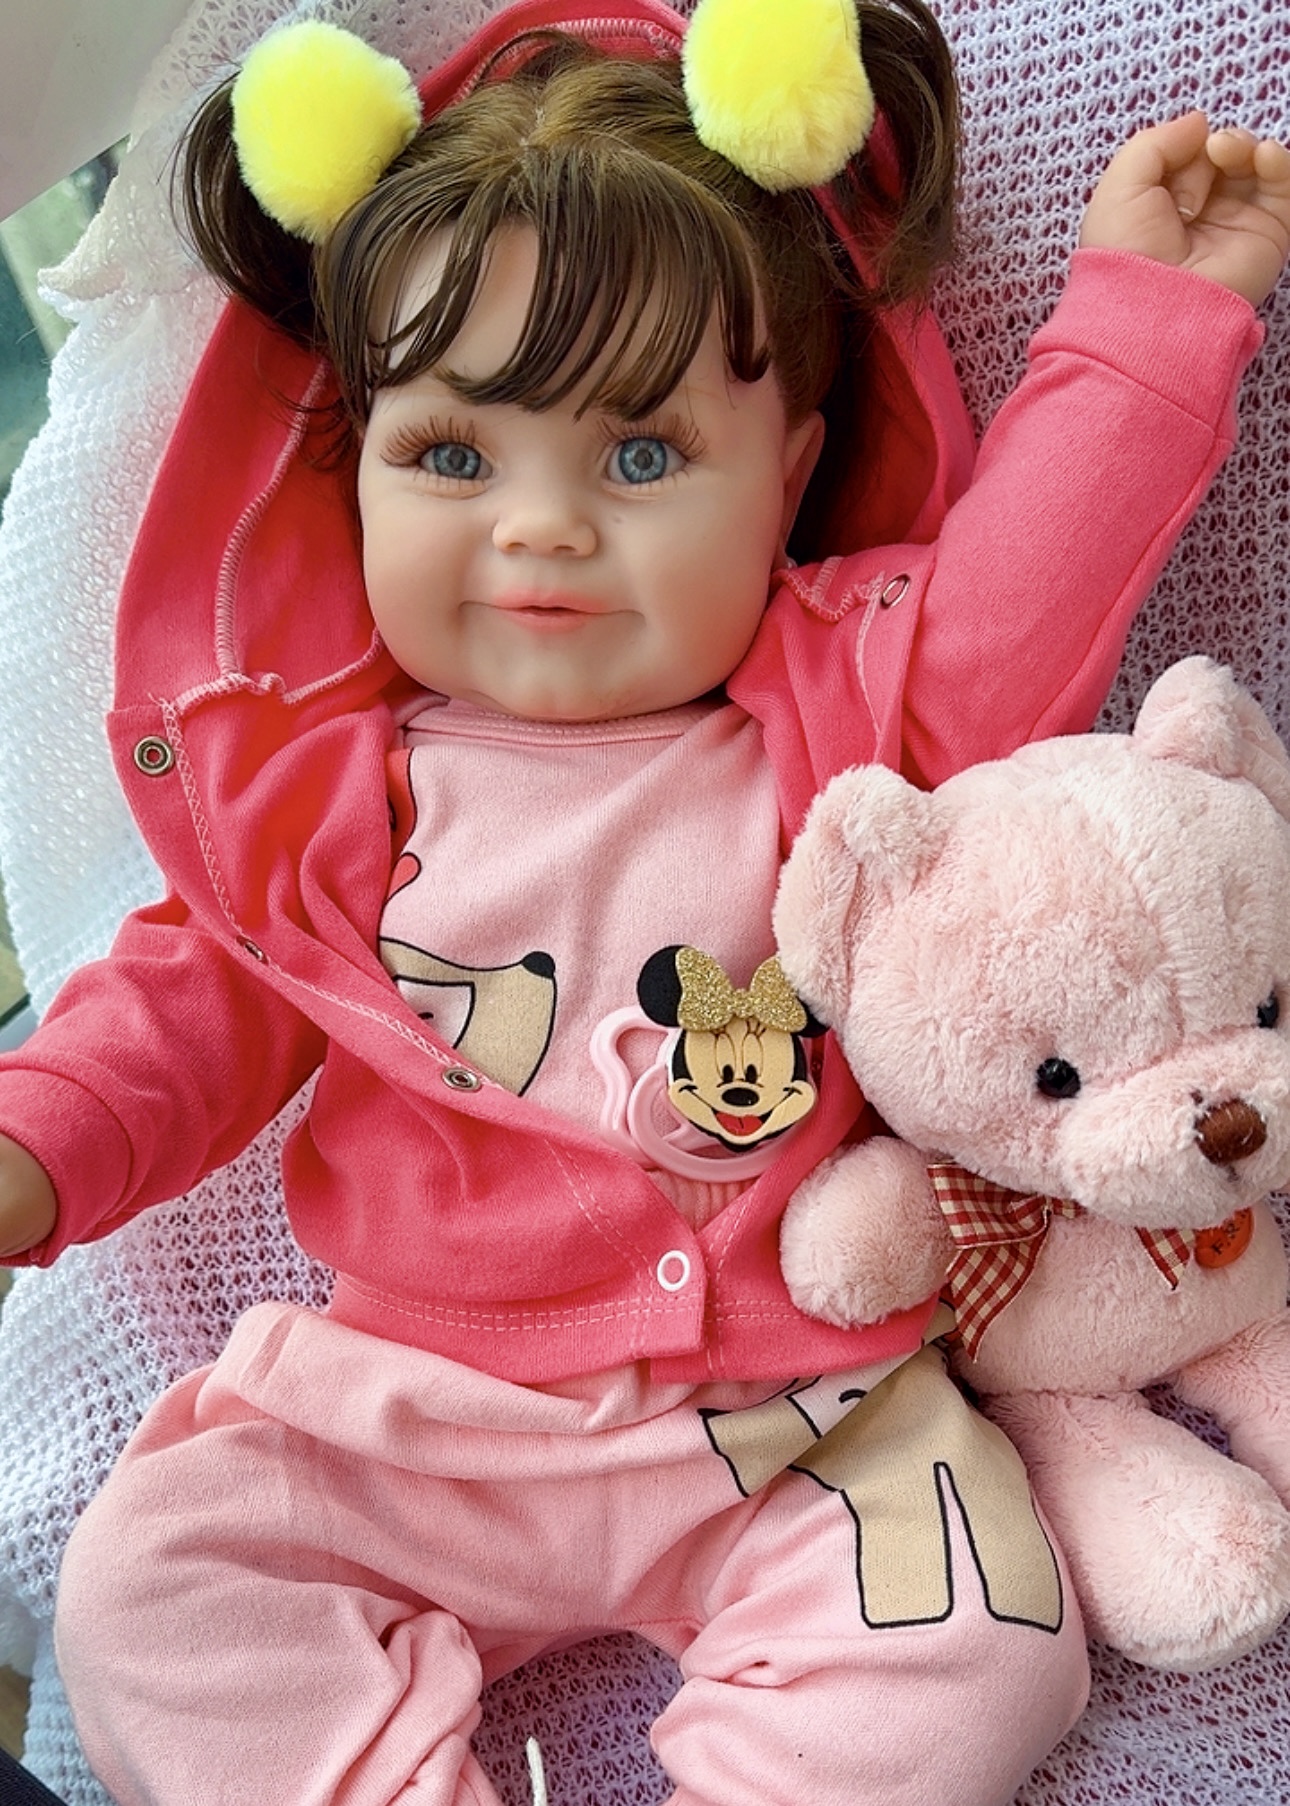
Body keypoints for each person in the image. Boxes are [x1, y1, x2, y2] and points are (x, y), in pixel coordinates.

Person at [0, 0, 1287, 1799]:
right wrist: (34, 1145)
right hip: (410, 1406)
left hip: (795, 1410)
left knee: (979, 1647)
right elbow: (175, 1011)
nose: (537, 528)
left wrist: (1148, 312)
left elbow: (1035, 572)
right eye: (452, 456)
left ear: (790, 473)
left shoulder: (842, 703)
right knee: (151, 1586)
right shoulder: (324, 796)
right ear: (351, 465)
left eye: (638, 455)